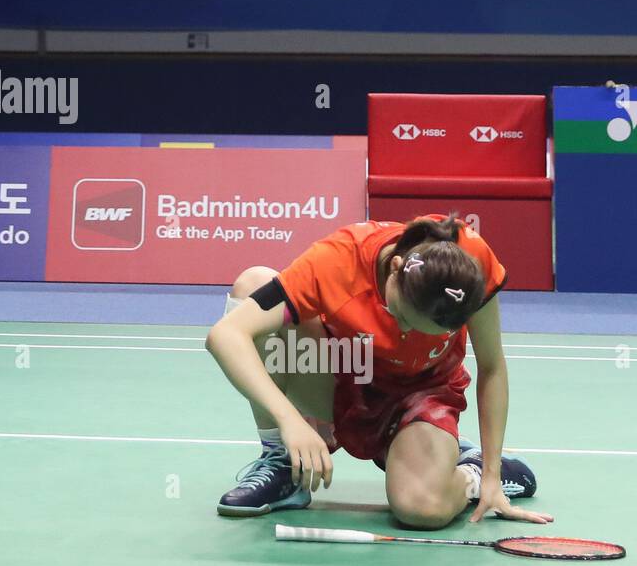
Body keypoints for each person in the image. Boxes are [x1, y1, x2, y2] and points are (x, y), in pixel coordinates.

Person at [205, 214, 553, 528]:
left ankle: (467, 470)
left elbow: (491, 366)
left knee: (421, 508)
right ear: (396, 267)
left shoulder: (469, 264)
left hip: (422, 393)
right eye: (399, 316)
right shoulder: (338, 260)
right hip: (344, 372)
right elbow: (225, 335)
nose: (401, 332)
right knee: (254, 283)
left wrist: (490, 477)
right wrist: (290, 420)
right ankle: (283, 464)